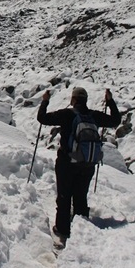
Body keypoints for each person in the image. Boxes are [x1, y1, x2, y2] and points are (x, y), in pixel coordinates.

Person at [37, 86, 121, 240]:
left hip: (66, 163)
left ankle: (62, 230)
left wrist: (45, 102)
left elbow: (42, 118)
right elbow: (116, 120)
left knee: (64, 197)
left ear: (73, 99)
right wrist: (110, 102)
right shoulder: (94, 116)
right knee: (80, 196)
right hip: (88, 164)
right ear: (85, 100)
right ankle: (80, 232)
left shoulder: (66, 114)